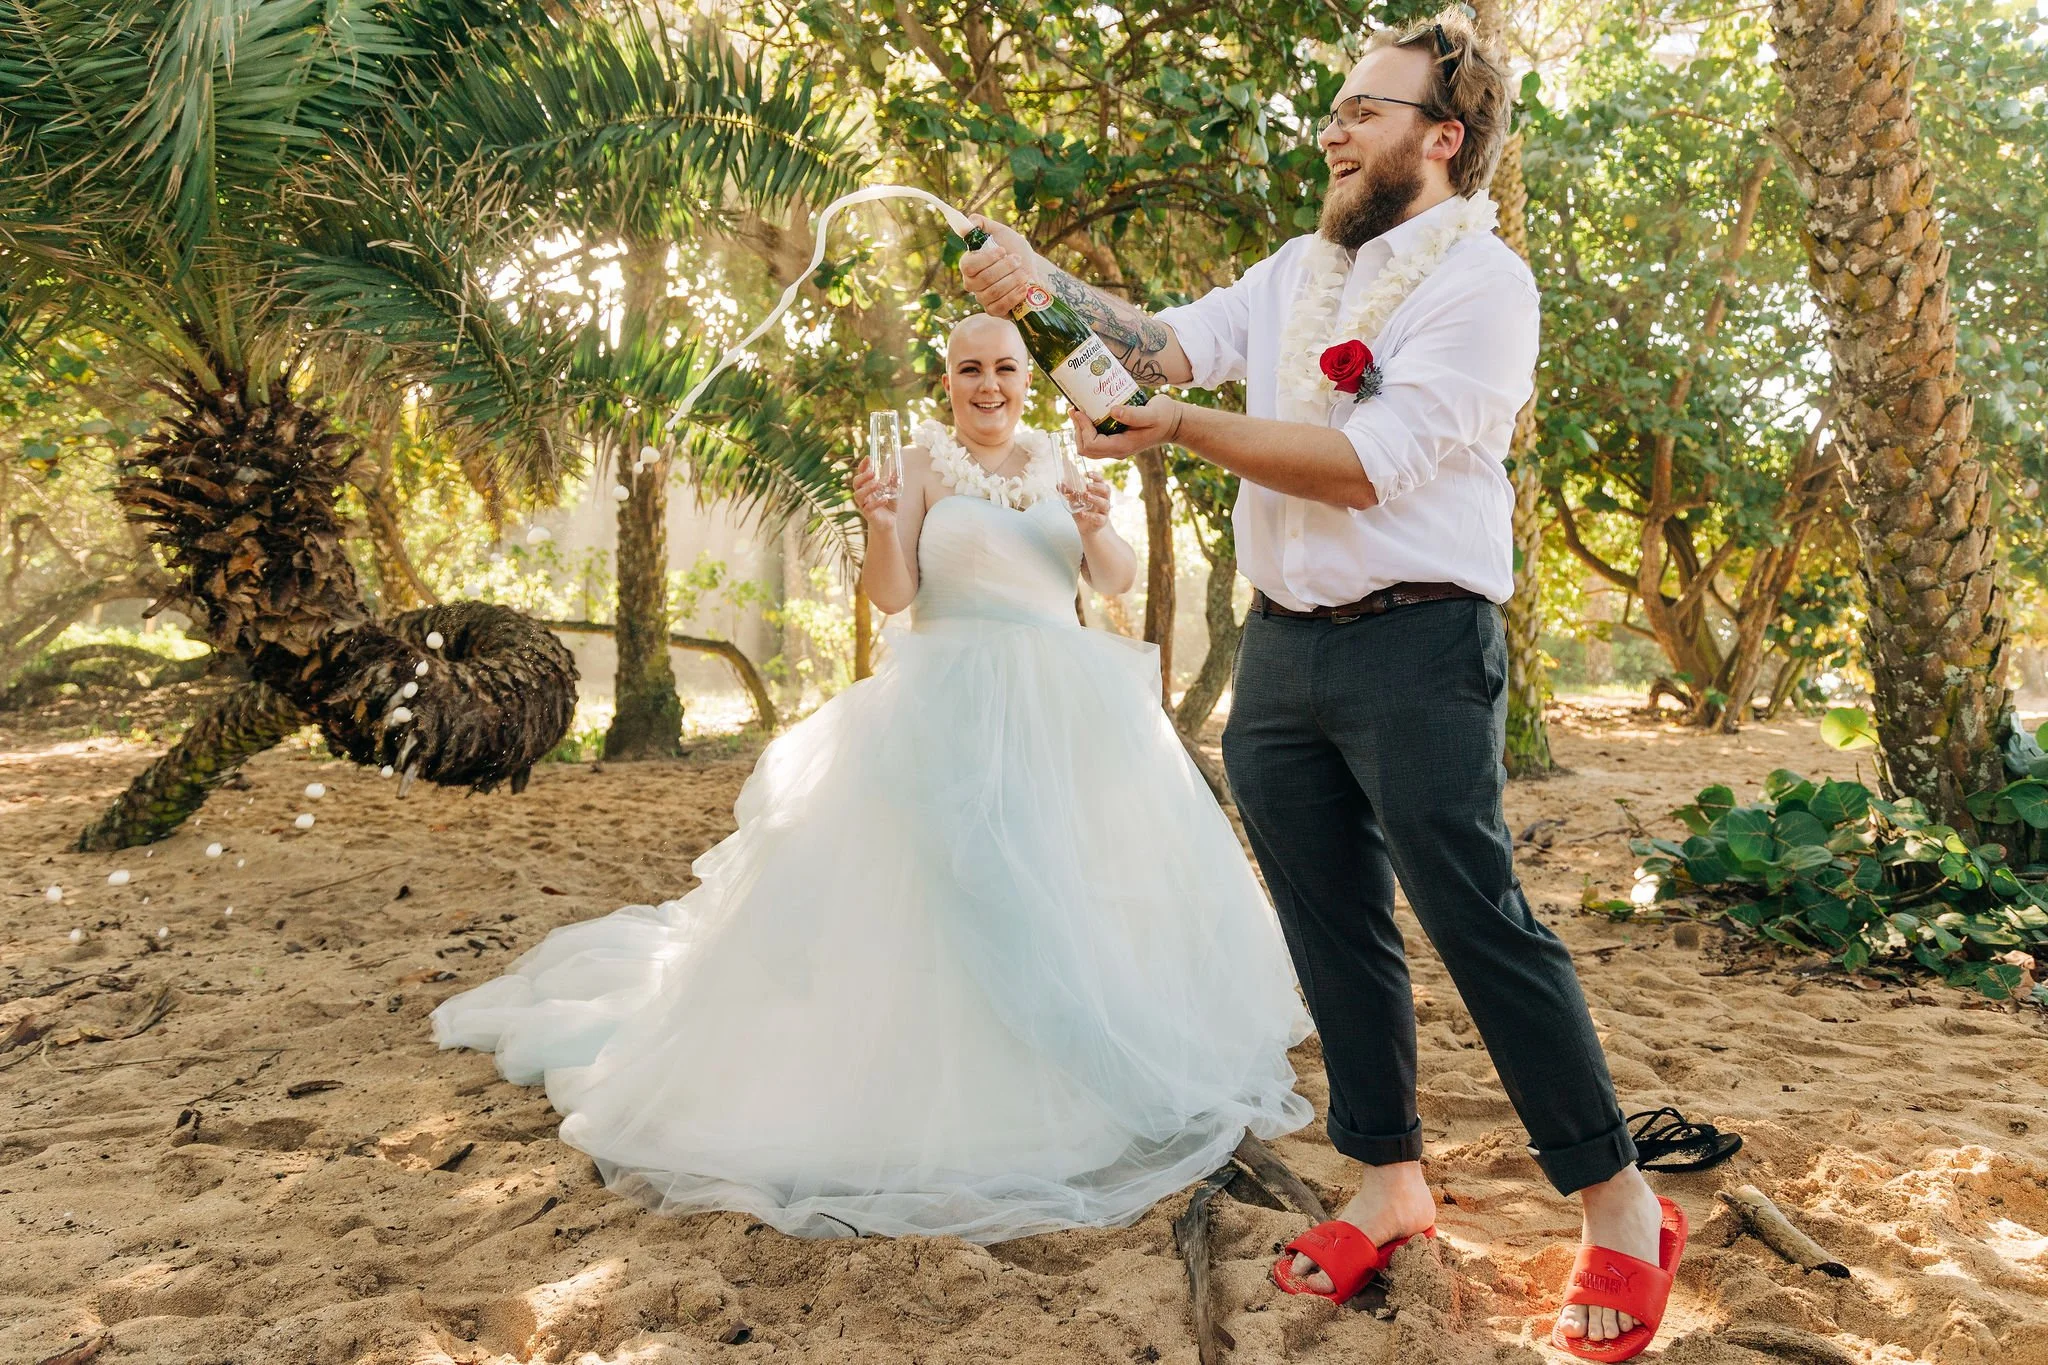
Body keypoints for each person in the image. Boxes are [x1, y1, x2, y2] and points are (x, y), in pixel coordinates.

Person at [960, 9, 1683, 1358]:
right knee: (1328, 925)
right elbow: (1163, 344)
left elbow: (1366, 464)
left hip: (1421, 641)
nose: (1334, 129)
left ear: (1441, 137)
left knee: (1479, 922)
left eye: (1364, 109)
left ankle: (1622, 1204)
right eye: (1336, 109)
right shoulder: (1300, 266)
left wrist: (1174, 428)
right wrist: (1044, 287)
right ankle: (1390, 1181)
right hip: (1284, 648)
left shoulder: (1484, 284)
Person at [430, 313, 1313, 1245]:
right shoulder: (924, 462)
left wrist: (1098, 527)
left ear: (1026, 376)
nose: (988, 385)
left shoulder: (1061, 455)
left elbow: (1113, 578)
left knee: (1074, 886)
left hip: (1066, 708)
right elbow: (894, 597)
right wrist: (878, 523)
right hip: (950, 696)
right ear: (947, 379)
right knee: (953, 894)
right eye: (970, 368)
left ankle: (1085, 1054)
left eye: (1005, 368)